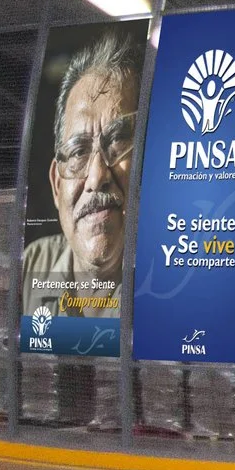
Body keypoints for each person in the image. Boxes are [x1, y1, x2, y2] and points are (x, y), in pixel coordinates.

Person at [23, 31, 140, 315]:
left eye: (118, 143)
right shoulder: (31, 266)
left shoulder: (175, 285)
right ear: (55, 184)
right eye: (78, 152)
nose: (97, 176)